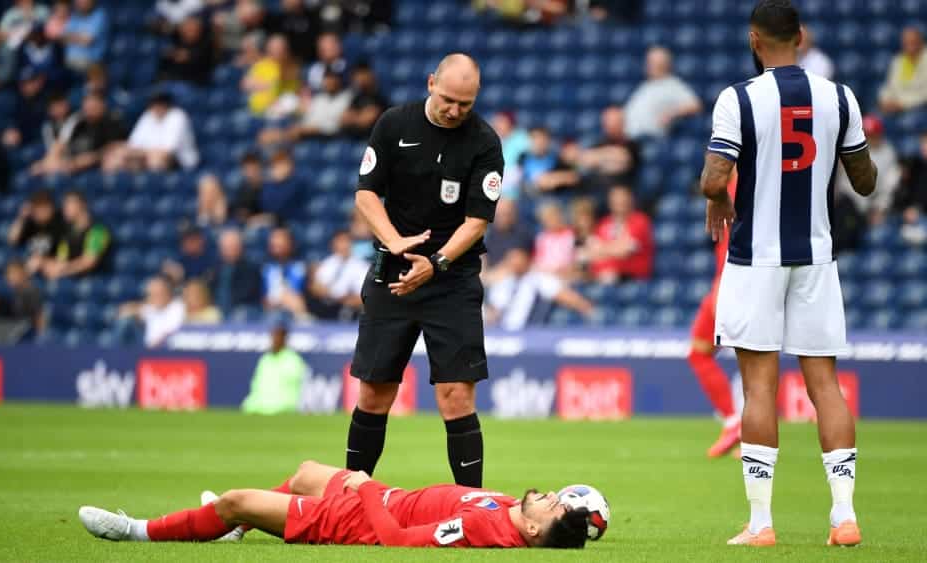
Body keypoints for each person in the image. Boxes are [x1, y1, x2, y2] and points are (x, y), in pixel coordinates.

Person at [701, 0, 878, 548]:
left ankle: (761, 524)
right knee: (825, 386)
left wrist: (718, 201)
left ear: (754, 40)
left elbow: (714, 179)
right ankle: (844, 517)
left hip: (756, 258)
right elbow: (866, 182)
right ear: (800, 36)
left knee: (759, 387)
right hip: (817, 258)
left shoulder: (738, 98)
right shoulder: (839, 97)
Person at [349, 53, 504, 488]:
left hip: (451, 280)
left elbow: (477, 222)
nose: (455, 110)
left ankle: (472, 505)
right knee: (374, 393)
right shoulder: (393, 124)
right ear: (431, 82)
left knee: (456, 396)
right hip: (392, 275)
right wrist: (395, 241)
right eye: (449, 99)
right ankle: (351, 498)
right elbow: (366, 194)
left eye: (465, 104)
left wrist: (436, 264)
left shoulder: (485, 142)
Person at [77, 460, 590, 548]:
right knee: (305, 473)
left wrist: (364, 489)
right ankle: (238, 529)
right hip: (384, 495)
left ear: (532, 531)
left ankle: (136, 530)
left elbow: (396, 540)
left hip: (355, 519)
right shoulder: (511, 509)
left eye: (555, 508)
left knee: (233, 501)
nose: (553, 497)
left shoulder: (484, 531)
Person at [687, 173, 741, 458]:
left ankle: (750, 434)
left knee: (755, 360)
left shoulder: (739, 186)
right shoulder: (733, 185)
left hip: (736, 279)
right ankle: (735, 425)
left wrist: (724, 282)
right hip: (729, 278)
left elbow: (737, 239)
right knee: (699, 352)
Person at [484, 248, 593, 330]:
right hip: (502, 332)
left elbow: (566, 296)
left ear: (526, 260)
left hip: (528, 332)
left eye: (517, 259)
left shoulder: (539, 279)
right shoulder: (504, 283)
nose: (514, 263)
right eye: (510, 260)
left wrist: (587, 309)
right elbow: (494, 311)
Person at [31, 92, 128, 175]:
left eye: (93, 107)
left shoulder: (111, 122)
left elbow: (115, 147)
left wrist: (88, 159)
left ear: (102, 105)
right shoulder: (78, 122)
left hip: (97, 164)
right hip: (72, 162)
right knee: (38, 168)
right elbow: (61, 143)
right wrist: (50, 160)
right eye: (87, 107)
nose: (89, 111)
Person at [103, 91, 199, 172]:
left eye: (159, 103)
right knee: (113, 159)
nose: (156, 107)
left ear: (166, 104)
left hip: (181, 161)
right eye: (153, 104)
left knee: (156, 160)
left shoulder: (178, 116)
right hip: (148, 155)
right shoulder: (148, 115)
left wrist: (139, 152)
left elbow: (168, 150)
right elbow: (134, 143)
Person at [835, 115, 901, 227]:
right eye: (866, 135)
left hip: (876, 205)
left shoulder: (888, 153)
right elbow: (844, 184)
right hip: (850, 203)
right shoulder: (852, 150)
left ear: (879, 135)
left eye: (872, 135)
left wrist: (879, 208)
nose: (868, 139)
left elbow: (889, 187)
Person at [623, 46, 702, 138]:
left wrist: (671, 114)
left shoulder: (673, 85)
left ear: (664, 64)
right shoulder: (646, 85)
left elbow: (695, 105)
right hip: (627, 136)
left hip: (648, 139)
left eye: (652, 62)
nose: (647, 65)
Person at [241, 321, 310, 414]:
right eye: (273, 336)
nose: (274, 339)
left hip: (283, 409)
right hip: (257, 407)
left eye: (278, 336)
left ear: (284, 338)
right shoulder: (265, 359)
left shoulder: (293, 360)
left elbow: (299, 389)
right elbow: (257, 385)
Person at [589, 185, 654, 283]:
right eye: (616, 199)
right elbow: (591, 253)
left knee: (608, 278)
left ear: (630, 200)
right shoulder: (604, 223)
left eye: (623, 199)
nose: (619, 202)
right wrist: (613, 248)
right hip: (601, 276)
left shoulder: (640, 221)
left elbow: (624, 251)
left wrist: (603, 249)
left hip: (632, 278)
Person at [41, 191, 112, 279]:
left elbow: (89, 262)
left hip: (95, 281)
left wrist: (62, 271)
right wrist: (45, 263)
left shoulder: (98, 231)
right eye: (64, 205)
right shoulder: (68, 234)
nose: (65, 208)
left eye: (69, 204)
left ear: (82, 205)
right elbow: (61, 259)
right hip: (70, 281)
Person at [308, 230, 368, 320]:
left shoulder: (361, 266)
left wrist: (344, 299)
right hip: (327, 304)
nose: (343, 245)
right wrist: (328, 294)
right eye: (340, 242)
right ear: (333, 244)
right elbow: (315, 287)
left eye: (346, 241)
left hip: (349, 308)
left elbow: (363, 296)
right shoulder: (327, 263)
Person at [580, 106, 640, 192]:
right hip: (595, 188)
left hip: (620, 188)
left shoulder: (631, 145)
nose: (611, 125)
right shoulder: (599, 143)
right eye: (608, 122)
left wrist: (598, 159)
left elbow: (622, 161)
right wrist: (608, 158)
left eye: (615, 122)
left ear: (623, 123)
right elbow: (585, 161)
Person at [117, 276, 185, 347]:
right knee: (124, 323)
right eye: (151, 294)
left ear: (168, 292)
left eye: (159, 293)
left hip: (169, 348)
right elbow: (123, 311)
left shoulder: (179, 307)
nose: (155, 297)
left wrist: (159, 342)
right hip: (148, 349)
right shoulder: (151, 308)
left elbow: (176, 333)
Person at [242, 34, 300, 117]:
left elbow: (292, 92)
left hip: (280, 109)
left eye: (280, 48)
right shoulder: (262, 65)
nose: (277, 51)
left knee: (290, 100)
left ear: (286, 50)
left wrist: (265, 85)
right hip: (258, 109)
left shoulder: (291, 67)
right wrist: (267, 85)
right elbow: (245, 84)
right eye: (274, 48)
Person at [7, 189, 66, 270]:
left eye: (42, 208)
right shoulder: (31, 224)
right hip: (34, 267)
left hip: (55, 267)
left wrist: (44, 261)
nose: (38, 213)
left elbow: (64, 252)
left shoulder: (60, 223)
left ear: (50, 208)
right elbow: (12, 240)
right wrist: (21, 217)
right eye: (35, 209)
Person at [208, 228, 260, 312]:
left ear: (240, 247)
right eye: (225, 247)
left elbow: (245, 294)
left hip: (242, 309)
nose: (229, 251)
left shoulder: (250, 269)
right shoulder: (215, 268)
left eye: (232, 246)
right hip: (216, 309)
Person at [261, 227, 309, 319]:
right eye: (274, 238)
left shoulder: (302, 267)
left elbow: (303, 296)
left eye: (280, 238)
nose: (276, 242)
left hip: (296, 311)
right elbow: (262, 297)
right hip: (269, 312)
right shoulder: (265, 268)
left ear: (290, 243)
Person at [879, 26, 927, 114]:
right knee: (871, 119)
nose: (909, 46)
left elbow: (924, 94)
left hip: (918, 108)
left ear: (921, 42)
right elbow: (888, 87)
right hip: (895, 106)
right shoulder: (898, 60)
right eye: (906, 43)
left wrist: (903, 104)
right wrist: (885, 101)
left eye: (913, 42)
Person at [157, 16, 215, 85]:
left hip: (196, 84)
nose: (189, 31)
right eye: (187, 28)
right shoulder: (174, 41)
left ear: (200, 30)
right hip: (172, 81)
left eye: (193, 29)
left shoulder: (206, 45)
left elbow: (197, 59)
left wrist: (186, 56)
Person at [339, 63, 388, 139]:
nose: (359, 78)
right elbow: (344, 119)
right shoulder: (357, 98)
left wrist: (355, 117)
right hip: (353, 139)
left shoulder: (379, 98)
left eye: (362, 74)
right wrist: (360, 116)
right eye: (357, 75)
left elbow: (366, 121)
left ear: (370, 75)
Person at [229, 152, 277, 226]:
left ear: (259, 167)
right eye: (247, 169)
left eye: (253, 169)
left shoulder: (270, 187)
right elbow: (240, 214)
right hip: (247, 225)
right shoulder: (242, 190)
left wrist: (256, 219)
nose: (250, 173)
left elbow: (273, 215)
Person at [62, 0, 109, 72]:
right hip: (70, 62)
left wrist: (72, 36)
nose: (80, 2)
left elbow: (87, 41)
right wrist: (79, 37)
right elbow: (63, 37)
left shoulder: (100, 15)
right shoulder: (75, 15)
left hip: (91, 63)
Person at [4, 259, 45, 332]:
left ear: (23, 273)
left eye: (13, 273)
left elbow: (40, 321)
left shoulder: (32, 292)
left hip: (30, 335)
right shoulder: (16, 293)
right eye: (8, 273)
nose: (9, 277)